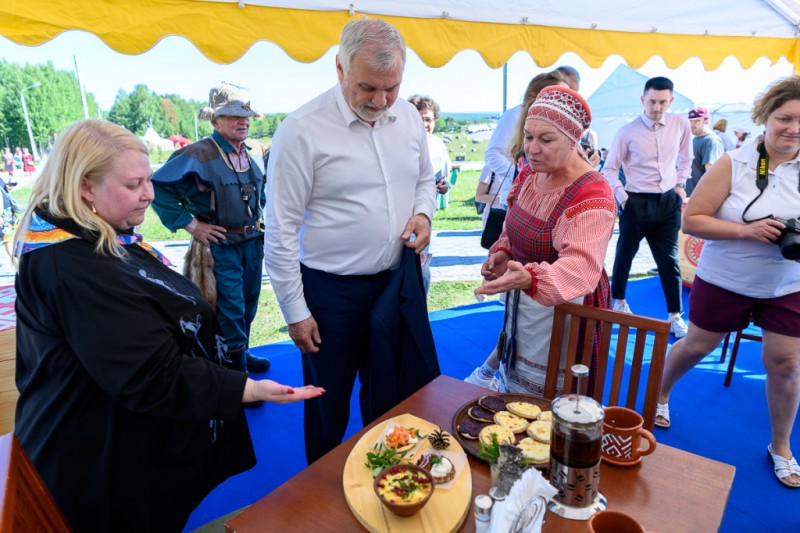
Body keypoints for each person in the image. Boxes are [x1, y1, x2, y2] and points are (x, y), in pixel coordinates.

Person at [12, 119, 325, 531]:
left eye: (148, 180)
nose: (148, 195)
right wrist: (245, 387)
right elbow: (148, 373)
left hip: (125, 440)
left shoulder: (95, 233)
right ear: (86, 187)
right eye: (134, 185)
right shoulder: (72, 267)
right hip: (98, 462)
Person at [264, 19, 439, 464]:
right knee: (327, 403)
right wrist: (296, 313)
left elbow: (423, 178)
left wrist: (423, 212)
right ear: (339, 68)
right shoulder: (301, 131)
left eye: (392, 88)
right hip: (329, 293)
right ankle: (322, 491)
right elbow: (280, 231)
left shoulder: (409, 120)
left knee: (394, 395)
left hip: (396, 282)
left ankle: (386, 481)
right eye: (368, 88)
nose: (380, 102)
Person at [654, 76, 800, 489]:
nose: (793, 128)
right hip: (726, 278)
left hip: (788, 284)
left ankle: (782, 446)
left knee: (787, 365)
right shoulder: (733, 162)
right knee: (698, 346)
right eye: (784, 118)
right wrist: (746, 232)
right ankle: (658, 397)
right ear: (765, 118)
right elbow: (692, 219)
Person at [468, 86, 616, 395]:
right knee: (514, 388)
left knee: (548, 402)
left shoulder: (592, 195)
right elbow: (512, 225)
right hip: (525, 301)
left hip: (566, 309)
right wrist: (504, 250)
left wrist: (531, 277)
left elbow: (580, 268)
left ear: (574, 141)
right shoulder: (529, 174)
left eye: (546, 140)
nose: (532, 149)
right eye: (528, 136)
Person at [150, 83, 271, 374]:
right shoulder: (199, 153)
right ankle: (235, 373)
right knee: (230, 309)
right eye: (233, 116)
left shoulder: (250, 150)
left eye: (245, 116)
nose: (243, 121)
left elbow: (258, 194)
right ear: (215, 121)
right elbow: (158, 188)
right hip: (221, 246)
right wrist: (193, 225)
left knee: (249, 303)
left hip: (253, 242)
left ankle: (243, 351)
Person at [602, 76, 692, 338]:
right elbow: (609, 168)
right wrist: (621, 195)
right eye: (652, 101)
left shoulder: (680, 124)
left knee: (669, 262)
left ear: (670, 101)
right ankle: (618, 302)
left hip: (667, 202)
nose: (657, 107)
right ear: (643, 100)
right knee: (624, 256)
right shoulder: (627, 131)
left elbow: (687, 156)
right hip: (635, 200)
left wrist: (680, 184)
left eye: (663, 102)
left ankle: (675, 316)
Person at [409, 93, 451, 296]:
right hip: (404, 212)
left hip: (426, 213)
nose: (424, 124)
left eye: (428, 119)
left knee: (422, 265)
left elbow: (445, 175)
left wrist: (444, 185)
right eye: (419, 119)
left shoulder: (438, 144)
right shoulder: (402, 143)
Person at [687, 107, 725, 196]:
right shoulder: (694, 139)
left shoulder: (711, 141)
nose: (692, 124)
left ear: (706, 122)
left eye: (697, 121)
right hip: (688, 198)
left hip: (699, 199)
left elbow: (712, 176)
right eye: (691, 121)